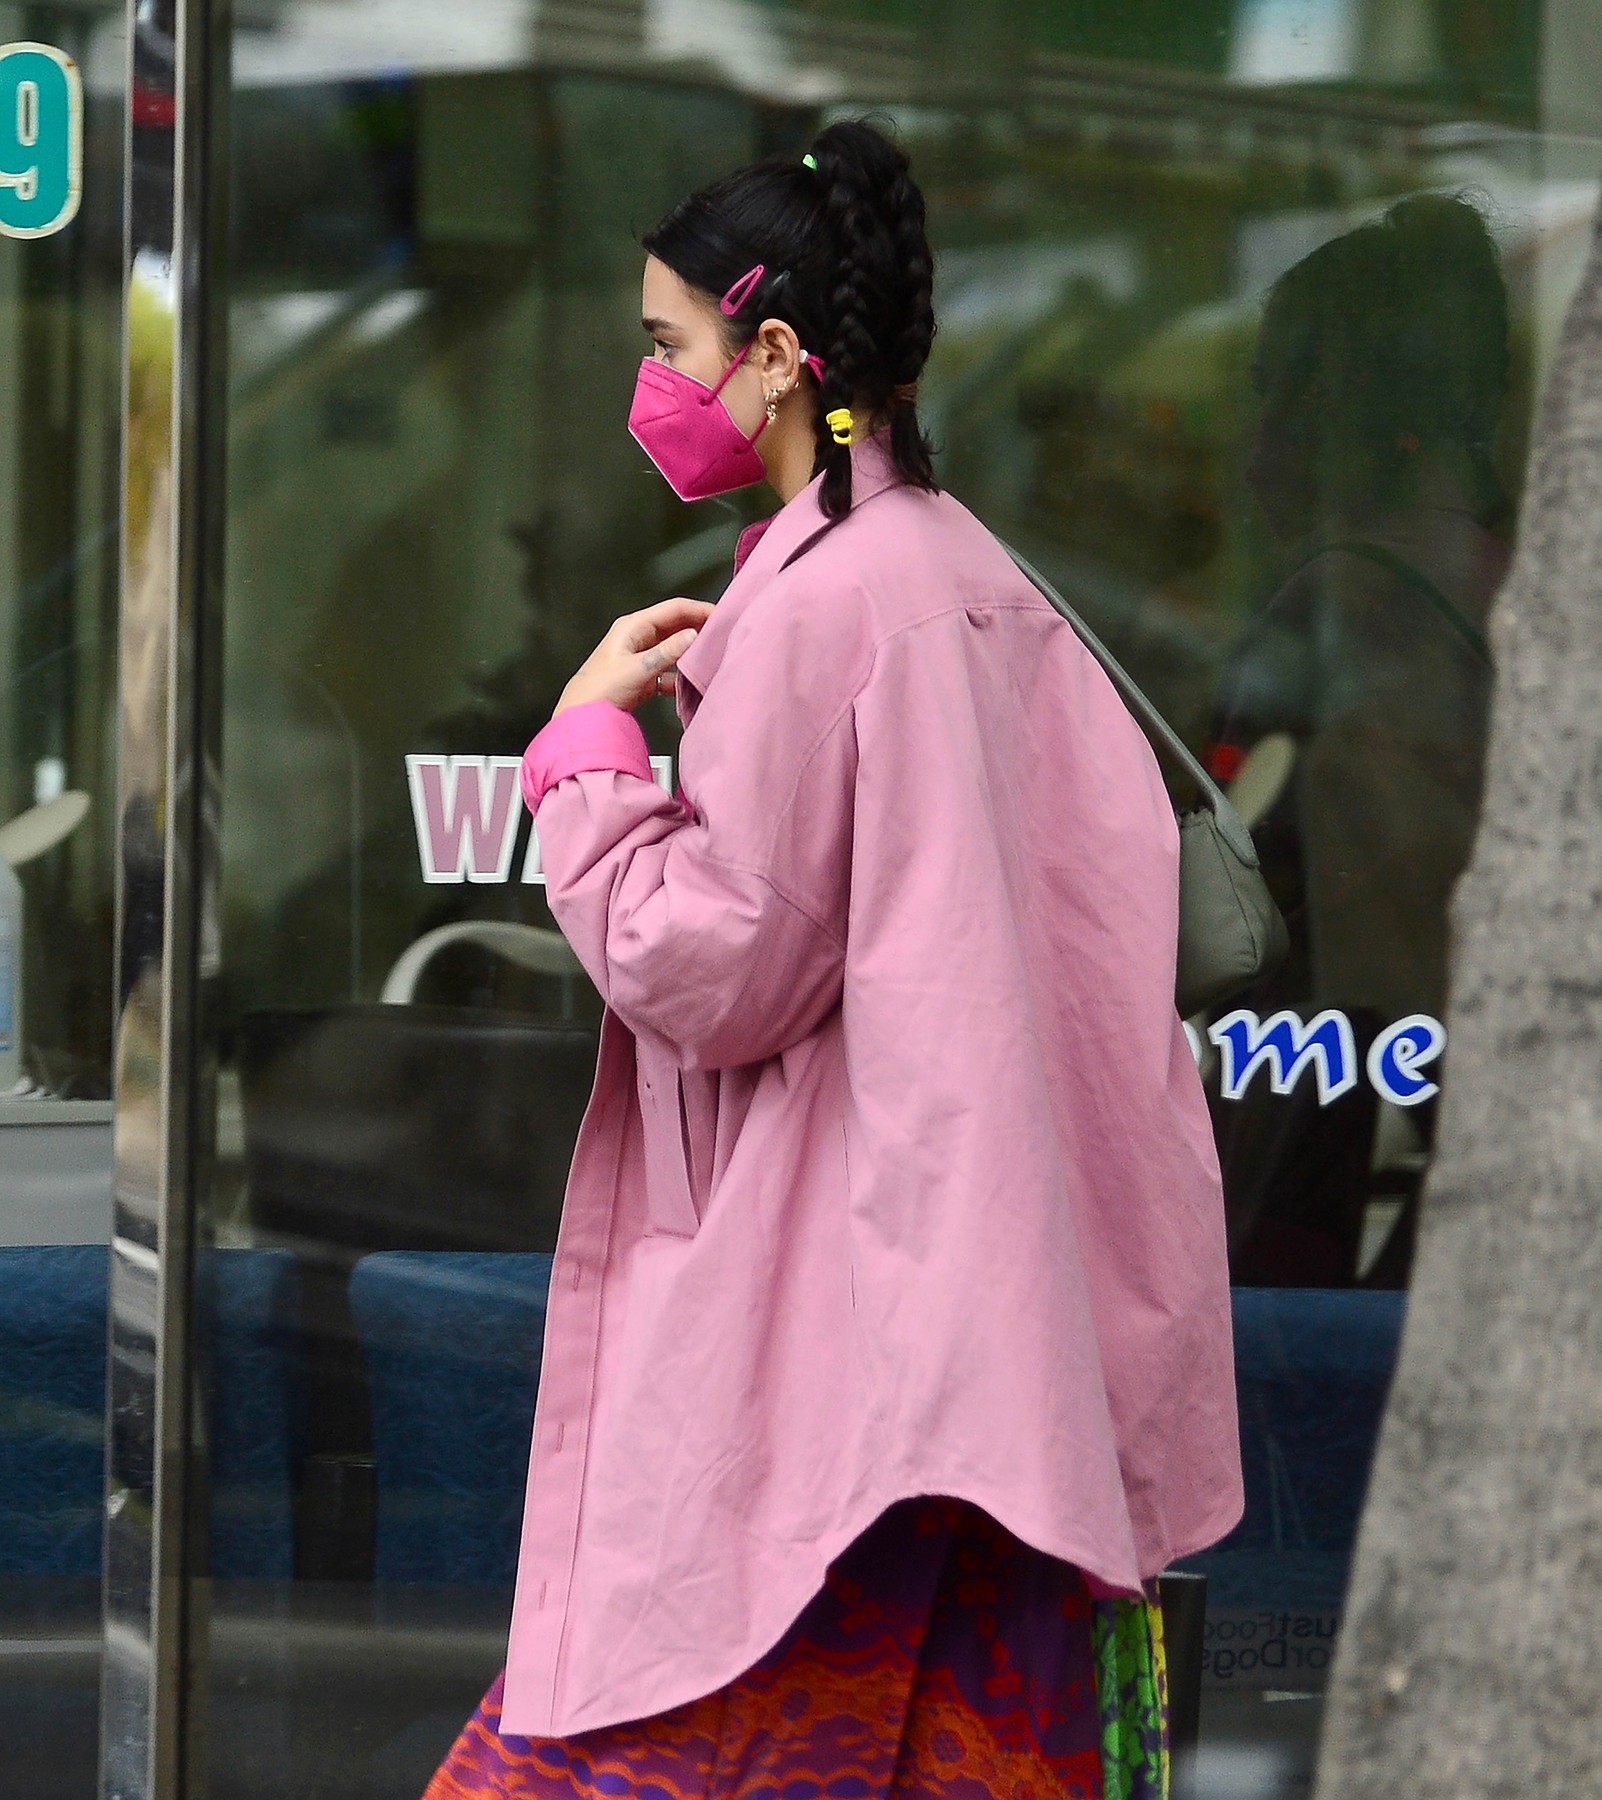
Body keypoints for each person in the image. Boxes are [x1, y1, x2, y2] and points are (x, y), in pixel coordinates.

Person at [425, 119, 1240, 1800]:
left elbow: (706, 964)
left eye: (668, 345)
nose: (649, 384)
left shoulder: (824, 605)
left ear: (778, 356)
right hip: (999, 1349)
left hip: (840, 1361)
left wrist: (585, 752)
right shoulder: (977, 579)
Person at [1208, 193, 1510, 1287]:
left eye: (1267, 399)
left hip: (1347, 1123)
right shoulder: (1517, 584)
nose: (1251, 448)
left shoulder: (1333, 609)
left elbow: (1224, 910)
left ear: (1329, 407)